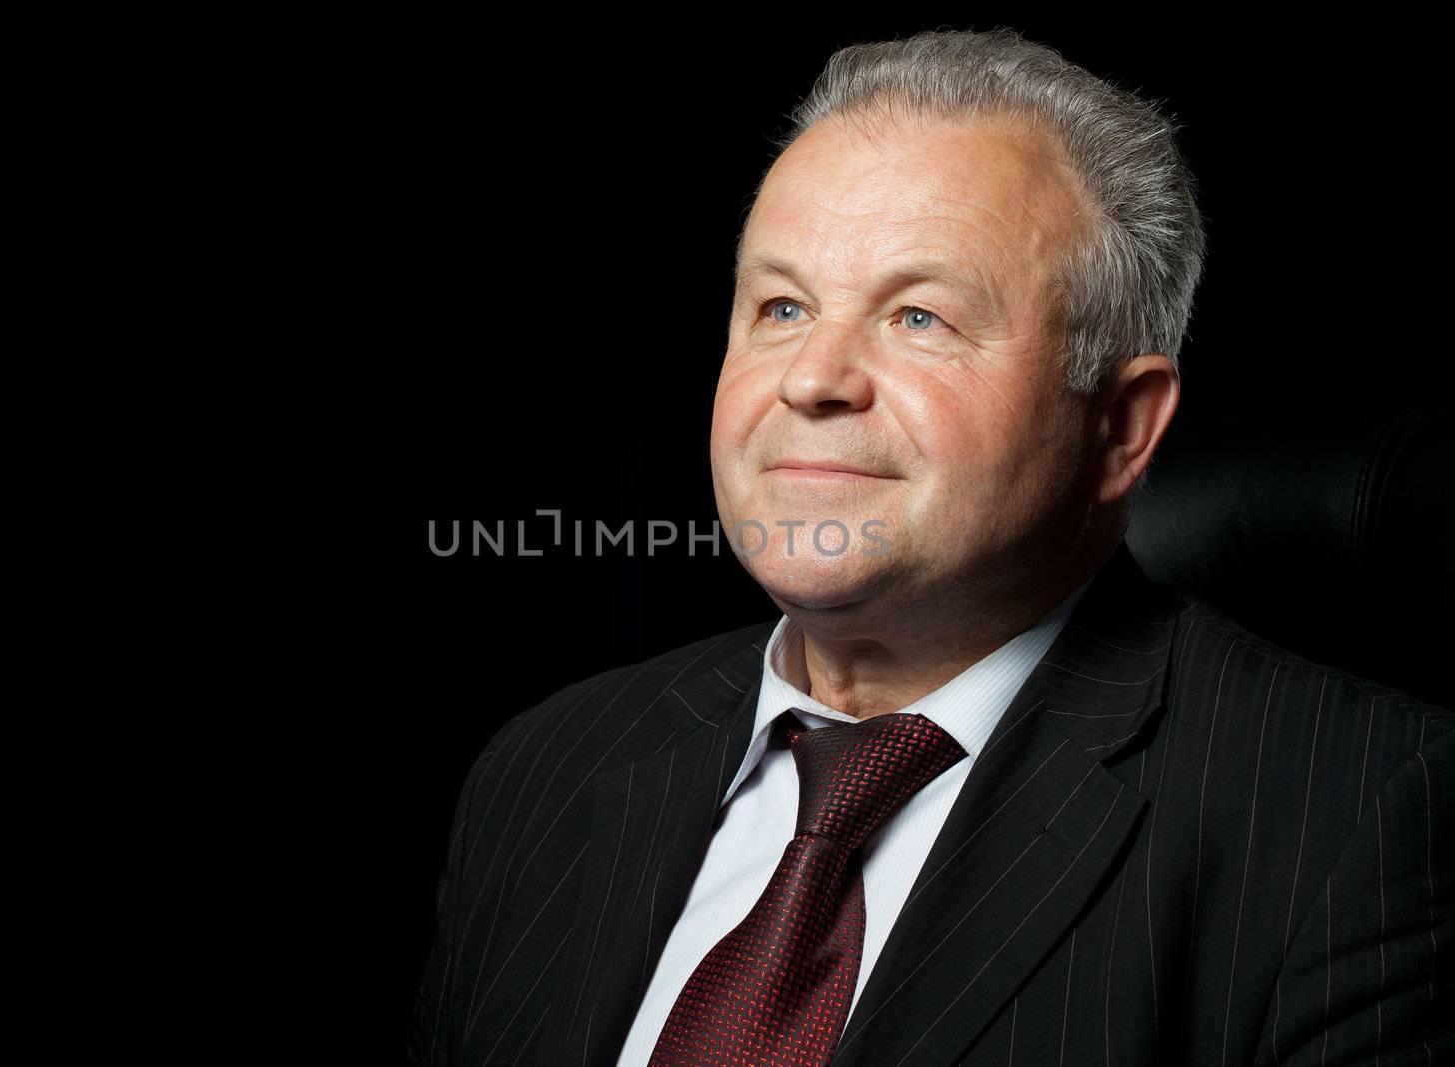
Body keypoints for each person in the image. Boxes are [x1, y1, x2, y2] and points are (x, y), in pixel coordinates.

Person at [410, 27, 1453, 1066]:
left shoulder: (1362, 811)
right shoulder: (542, 771)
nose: (813, 378)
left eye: (917, 317)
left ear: (1123, 424)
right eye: (781, 305)